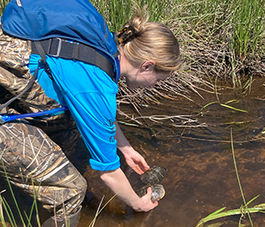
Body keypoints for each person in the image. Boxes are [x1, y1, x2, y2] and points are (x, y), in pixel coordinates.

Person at [0, 0, 181, 226]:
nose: (154, 86)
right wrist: (137, 204)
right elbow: (109, 174)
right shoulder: (96, 86)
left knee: (75, 137)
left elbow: (95, 114)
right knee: (71, 191)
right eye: (158, 79)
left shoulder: (104, 42)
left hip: (9, 76)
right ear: (147, 65)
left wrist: (125, 148)